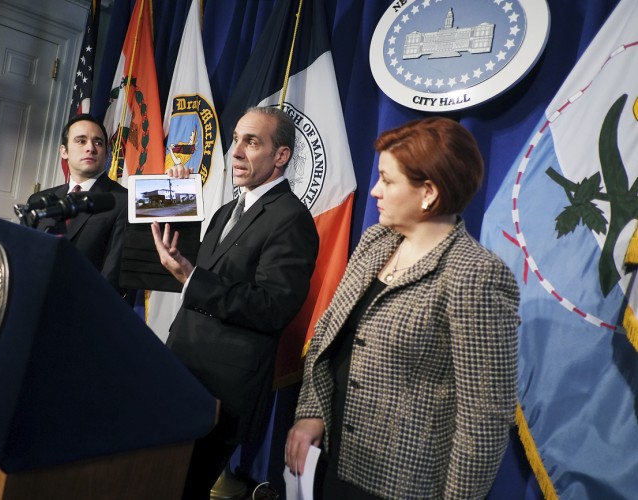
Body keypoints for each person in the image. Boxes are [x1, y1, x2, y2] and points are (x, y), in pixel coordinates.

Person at [285, 117, 520, 499]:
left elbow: (484, 418)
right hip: (336, 459)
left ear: (428, 192)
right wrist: (311, 410)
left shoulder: (476, 275)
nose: (375, 190)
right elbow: (329, 331)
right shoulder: (376, 241)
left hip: (403, 485)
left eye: (388, 180)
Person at [152, 106, 319, 498]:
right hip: (181, 374)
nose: (236, 151)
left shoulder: (291, 219)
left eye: (252, 141)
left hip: (221, 396)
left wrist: (192, 279)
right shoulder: (229, 209)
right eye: (236, 139)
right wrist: (173, 197)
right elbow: (171, 259)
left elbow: (273, 307)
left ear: (281, 156)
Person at [25, 113, 128, 292]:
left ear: (106, 153)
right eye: (81, 141)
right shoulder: (38, 201)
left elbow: (111, 276)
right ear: (64, 151)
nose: (90, 148)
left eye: (98, 142)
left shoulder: (122, 201)